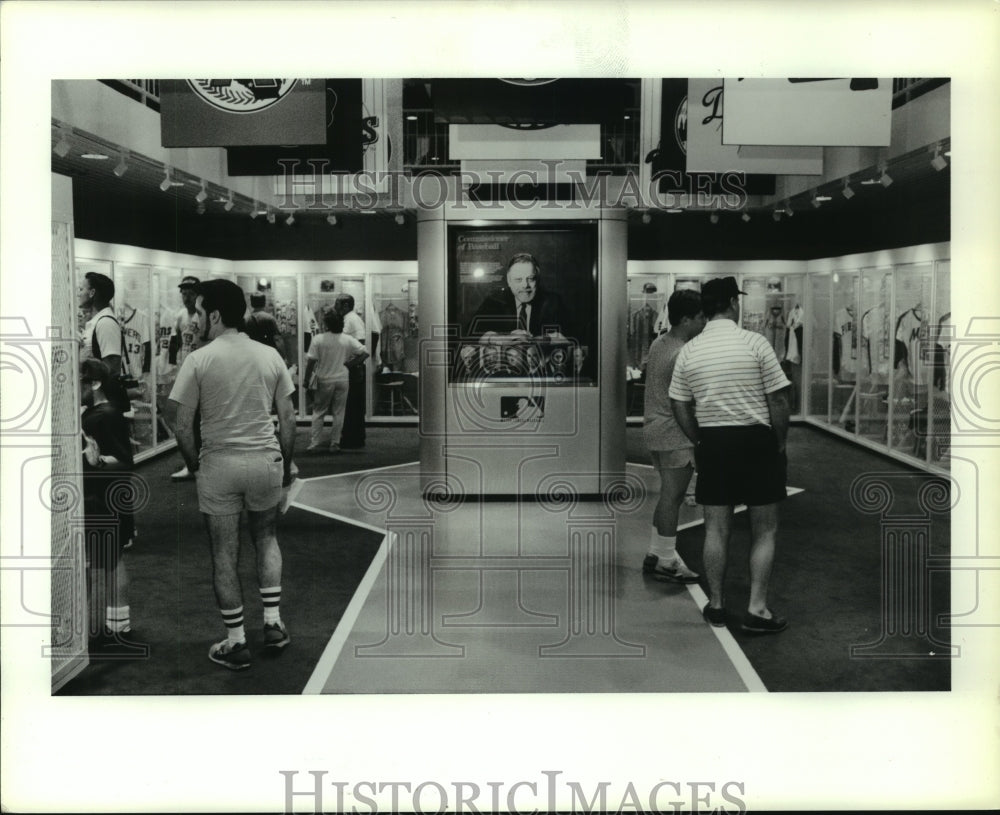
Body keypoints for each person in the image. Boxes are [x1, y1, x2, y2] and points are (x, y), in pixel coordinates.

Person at [168, 279, 296, 671]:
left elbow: (181, 424)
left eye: (201, 312)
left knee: (224, 553)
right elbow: (288, 419)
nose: (197, 319)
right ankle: (273, 624)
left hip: (219, 464)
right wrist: (285, 468)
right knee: (266, 537)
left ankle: (237, 641)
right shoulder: (269, 356)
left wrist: (194, 466)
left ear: (216, 315)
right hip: (265, 462)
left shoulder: (199, 359)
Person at [669, 276, 792, 634]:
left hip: (715, 443)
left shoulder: (691, 349)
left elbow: (679, 403)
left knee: (716, 528)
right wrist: (779, 442)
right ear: (733, 304)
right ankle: (756, 609)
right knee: (764, 529)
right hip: (757, 442)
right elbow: (779, 399)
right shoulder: (755, 342)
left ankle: (718, 604)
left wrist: (699, 438)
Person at [80, 359, 147, 656]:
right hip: (113, 498)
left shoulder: (98, 417)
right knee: (112, 560)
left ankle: (85, 631)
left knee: (90, 564)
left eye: (79, 383)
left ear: (93, 384)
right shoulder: (107, 414)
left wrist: (96, 461)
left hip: (98, 498)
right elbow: (125, 460)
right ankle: (118, 626)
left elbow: (121, 460)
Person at [641, 289, 706, 583]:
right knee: (673, 496)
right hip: (673, 432)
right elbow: (685, 402)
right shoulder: (682, 352)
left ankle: (657, 553)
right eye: (700, 318)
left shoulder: (659, 343)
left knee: (669, 495)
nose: (703, 323)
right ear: (685, 319)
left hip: (656, 428)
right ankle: (666, 561)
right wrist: (698, 436)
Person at [467, 252, 573, 340]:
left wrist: (539, 340)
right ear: (509, 281)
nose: (525, 285)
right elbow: (470, 336)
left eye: (530, 279)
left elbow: (572, 336)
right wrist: (507, 338)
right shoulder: (494, 301)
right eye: (518, 280)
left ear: (538, 279)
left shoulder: (553, 302)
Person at [303, 310, 368, 453]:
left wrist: (306, 380)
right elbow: (365, 353)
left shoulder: (318, 339)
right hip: (342, 378)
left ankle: (315, 443)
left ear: (326, 324)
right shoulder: (347, 339)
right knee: (339, 412)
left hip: (324, 378)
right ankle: (335, 443)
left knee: (319, 411)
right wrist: (350, 364)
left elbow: (311, 361)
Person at [169, 276, 202, 481]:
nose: (186, 297)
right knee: (186, 419)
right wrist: (173, 368)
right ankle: (192, 463)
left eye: (190, 294)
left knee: (200, 420)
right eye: (184, 293)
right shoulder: (180, 316)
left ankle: (202, 462)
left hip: (201, 372)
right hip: (185, 370)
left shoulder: (203, 316)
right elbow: (176, 344)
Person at [334, 293, 368, 449]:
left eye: (338, 304)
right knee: (350, 404)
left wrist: (350, 364)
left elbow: (360, 343)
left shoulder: (352, 319)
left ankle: (354, 438)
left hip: (354, 368)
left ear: (346, 305)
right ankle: (351, 436)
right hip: (351, 366)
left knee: (353, 404)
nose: (336, 307)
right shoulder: (348, 319)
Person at [245, 292, 286, 360]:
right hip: (268, 356)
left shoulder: (246, 320)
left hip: (252, 356)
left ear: (252, 304)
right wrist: (283, 357)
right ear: (264, 303)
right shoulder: (269, 318)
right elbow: (277, 340)